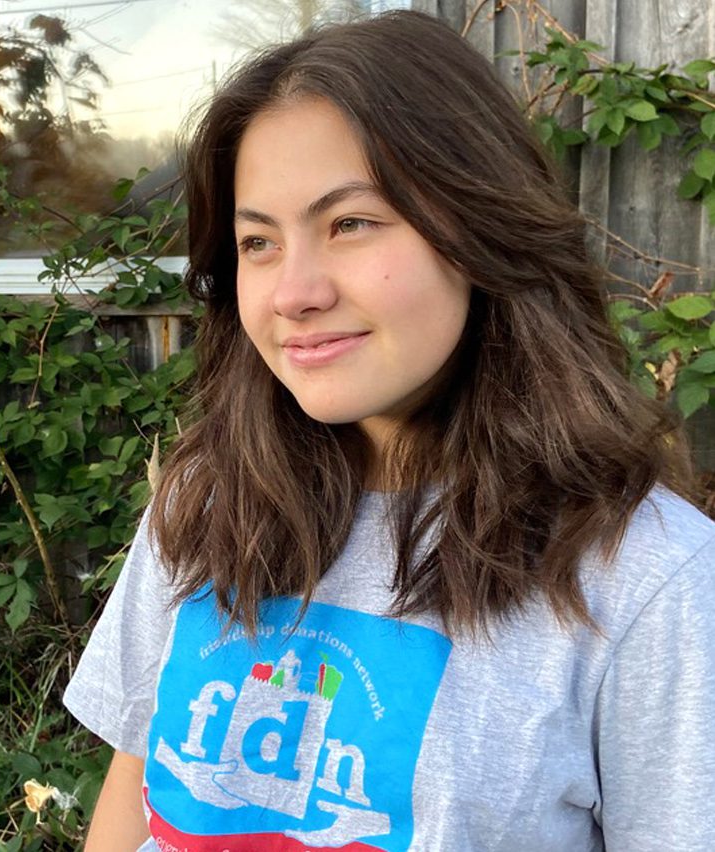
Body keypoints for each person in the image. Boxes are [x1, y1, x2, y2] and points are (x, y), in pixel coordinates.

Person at [65, 10, 714, 851]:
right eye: (258, 241)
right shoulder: (207, 498)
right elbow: (136, 785)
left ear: (480, 228)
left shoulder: (650, 580)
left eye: (350, 224)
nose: (293, 292)